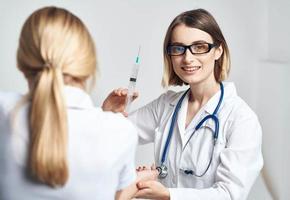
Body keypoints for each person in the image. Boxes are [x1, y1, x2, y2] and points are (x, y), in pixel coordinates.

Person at [102, 8, 263, 200]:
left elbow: (230, 195)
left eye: (199, 46)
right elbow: (113, 138)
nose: (187, 58)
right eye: (178, 48)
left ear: (218, 50)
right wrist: (107, 113)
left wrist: (168, 194)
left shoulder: (241, 119)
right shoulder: (166, 105)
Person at [0, 6, 156, 200]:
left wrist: (101, 113)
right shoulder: (120, 131)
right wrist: (141, 179)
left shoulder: (4, 112)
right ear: (88, 64)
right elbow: (115, 196)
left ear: (21, 62)